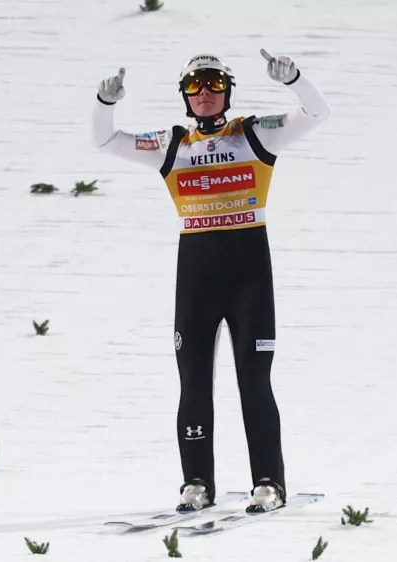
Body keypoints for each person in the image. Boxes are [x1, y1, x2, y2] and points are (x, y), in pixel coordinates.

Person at [90, 49, 330, 513]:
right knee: (194, 381)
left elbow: (318, 113)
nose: (205, 93)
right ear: (184, 95)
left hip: (249, 278)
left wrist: (295, 79)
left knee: (254, 381)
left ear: (228, 92)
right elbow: (104, 141)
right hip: (197, 278)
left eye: (215, 84)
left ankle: (269, 482)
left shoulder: (254, 134)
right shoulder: (171, 144)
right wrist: (105, 103)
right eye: (195, 85)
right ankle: (196, 482)